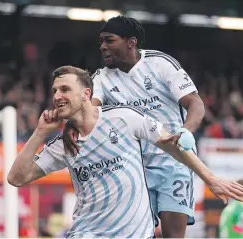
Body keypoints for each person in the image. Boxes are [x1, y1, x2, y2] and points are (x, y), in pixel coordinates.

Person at [7, 66, 243, 238]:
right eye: (54, 90)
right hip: (87, 233)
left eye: (64, 89)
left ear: (86, 94)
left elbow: (172, 146)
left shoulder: (124, 118)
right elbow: (16, 178)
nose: (57, 96)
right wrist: (39, 133)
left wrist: (211, 178)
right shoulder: (63, 144)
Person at [63, 15, 206, 237]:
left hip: (175, 161)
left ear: (131, 42)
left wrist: (186, 130)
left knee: (173, 235)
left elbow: (195, 103)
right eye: (101, 41)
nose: (102, 46)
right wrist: (71, 125)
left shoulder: (160, 63)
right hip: (136, 169)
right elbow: (88, 110)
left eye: (109, 40)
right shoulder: (101, 78)